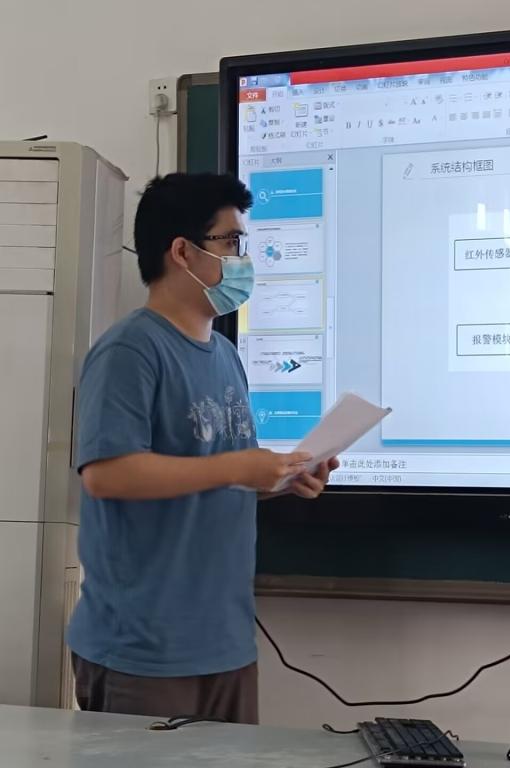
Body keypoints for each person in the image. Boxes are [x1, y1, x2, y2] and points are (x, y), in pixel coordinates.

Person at [67, 173, 338, 724]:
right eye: (231, 241)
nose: (243, 259)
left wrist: (283, 478)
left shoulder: (224, 355)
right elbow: (106, 475)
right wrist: (235, 466)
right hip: (144, 651)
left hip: (226, 646)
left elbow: (220, 478)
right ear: (182, 252)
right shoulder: (130, 350)